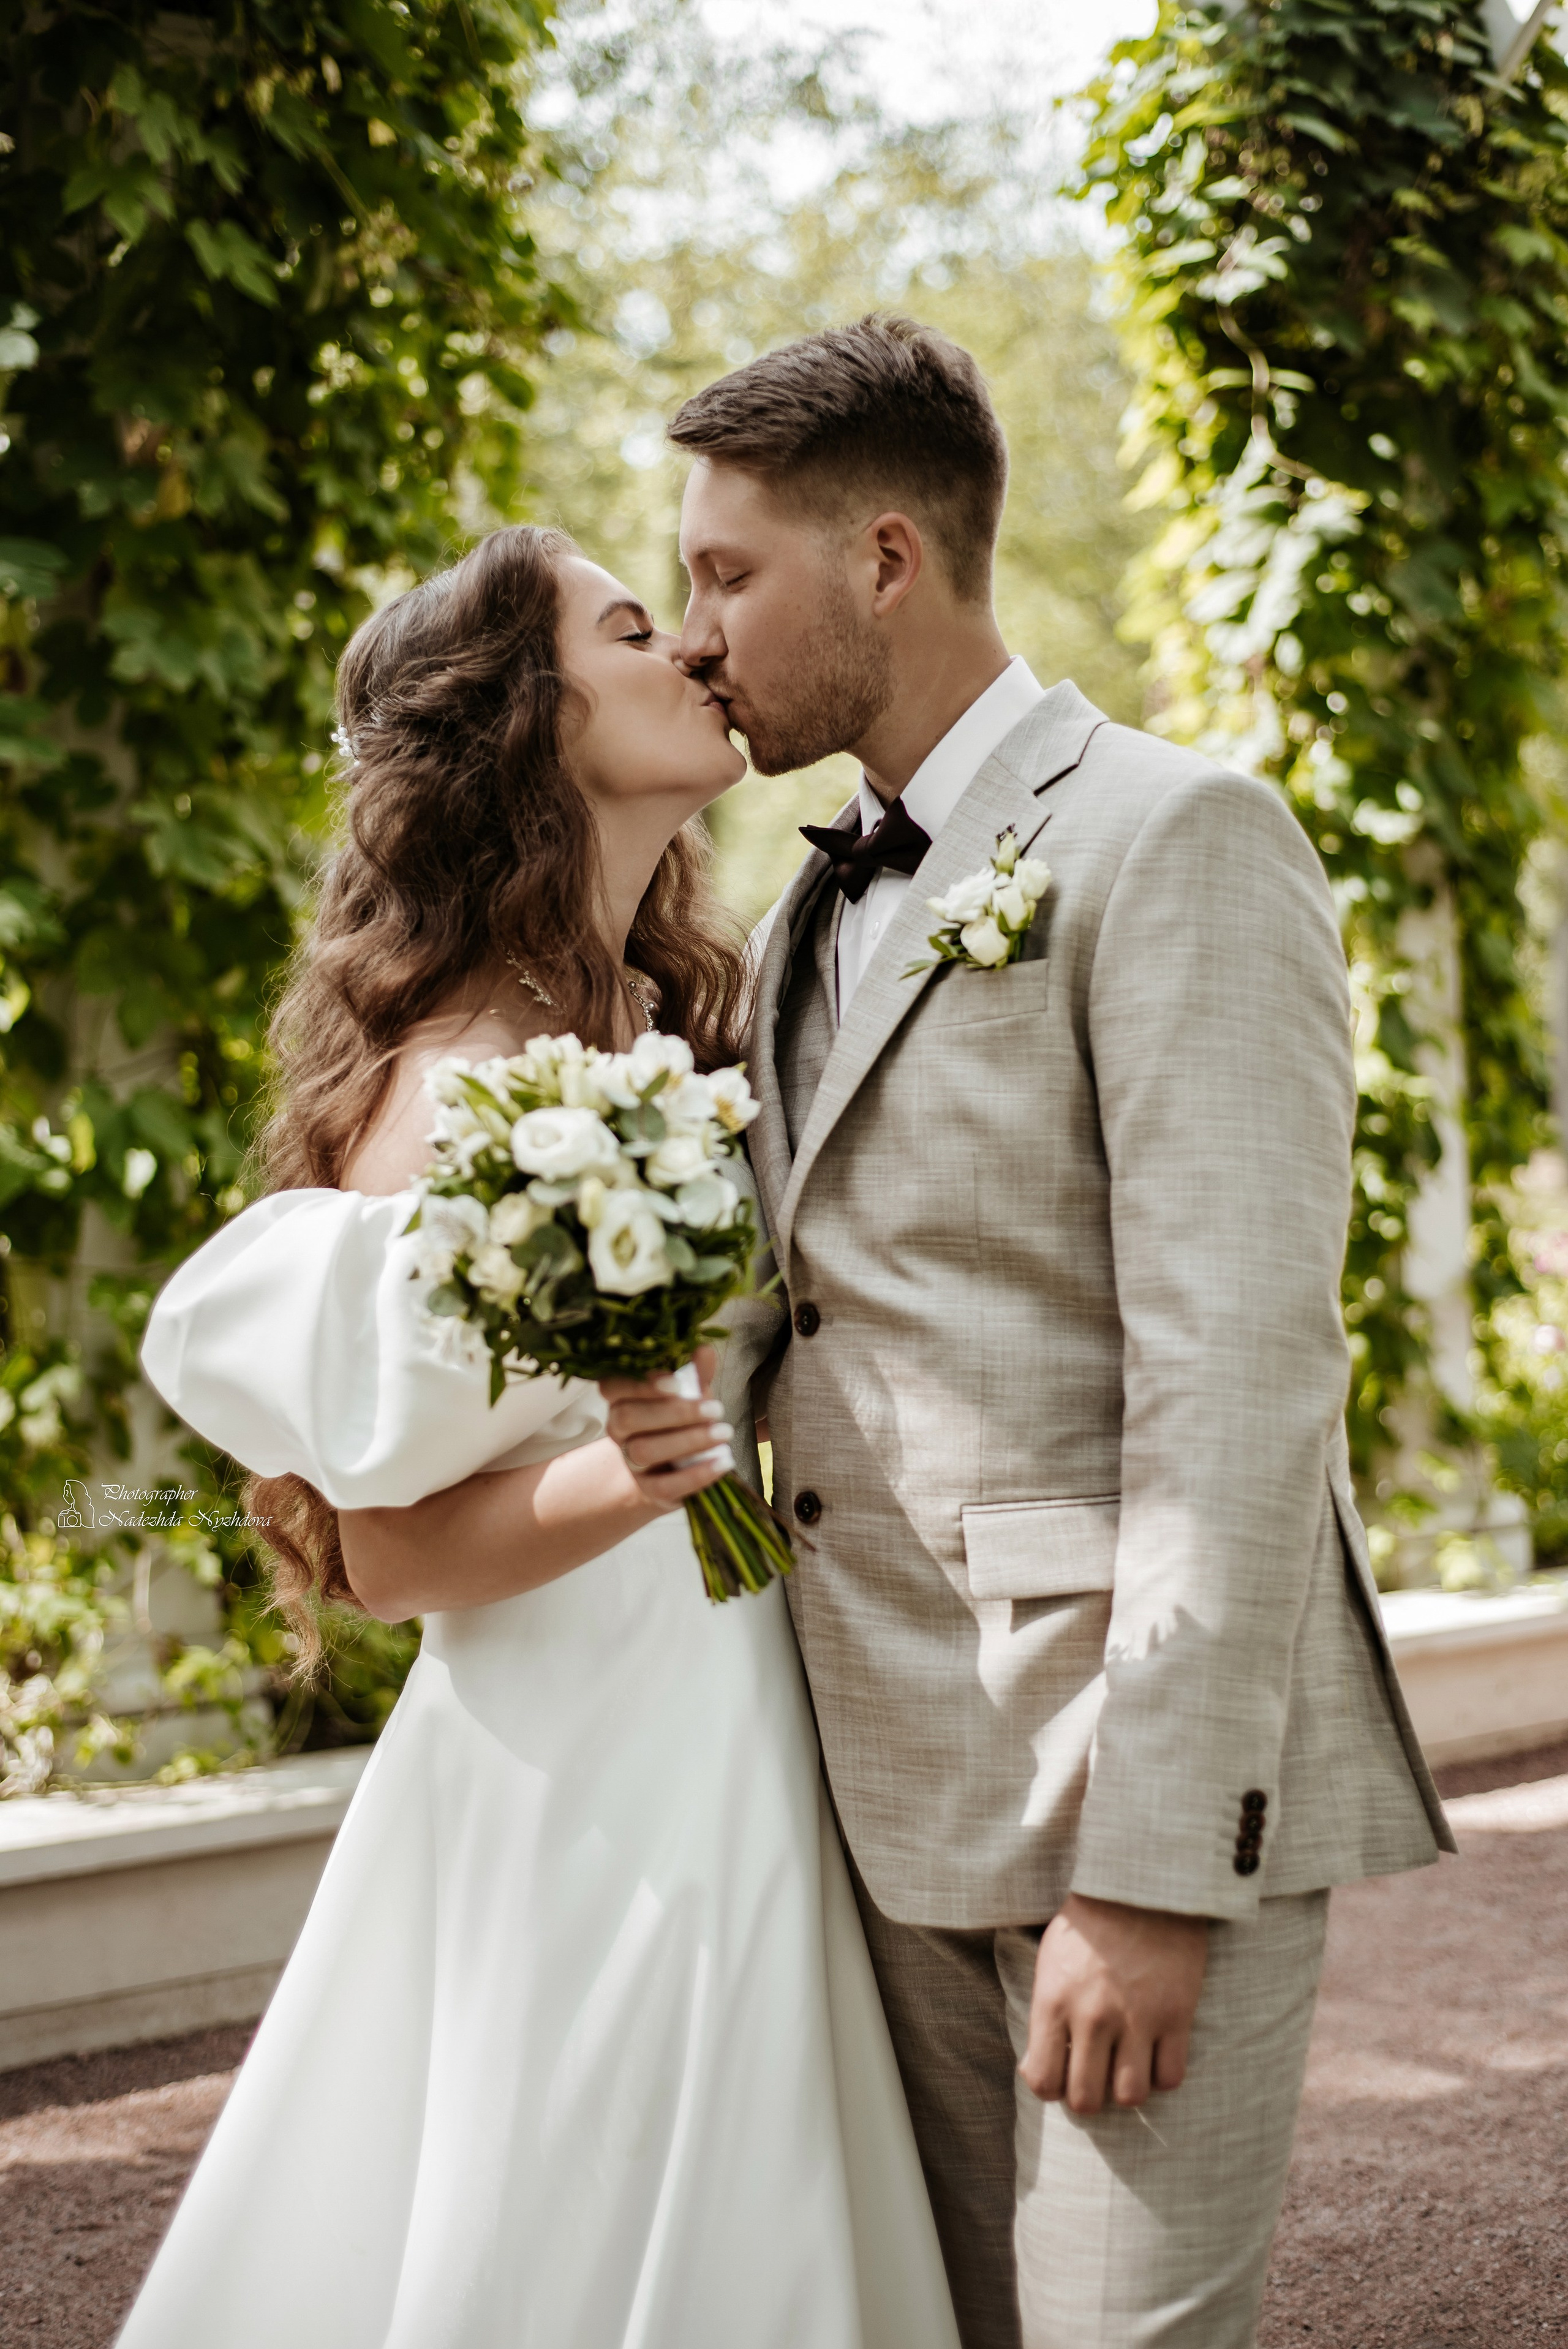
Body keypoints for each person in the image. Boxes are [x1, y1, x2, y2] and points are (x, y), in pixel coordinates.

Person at [614, 315, 1456, 2349]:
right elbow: (791, 1341)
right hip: (879, 1795)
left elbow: (1239, 1386)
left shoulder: (1178, 836)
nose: (697, 634)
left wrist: (1153, 1877)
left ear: (886, 558)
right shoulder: (803, 915)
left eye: (728, 574)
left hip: (1117, 1789)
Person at [120, 524, 960, 2349]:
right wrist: (638, 1468)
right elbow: (386, 1552)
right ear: (528, 720)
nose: (696, 653)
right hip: (593, 1767)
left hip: (736, 1699)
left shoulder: (681, 1024)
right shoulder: (454, 1091)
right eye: (637, 629)